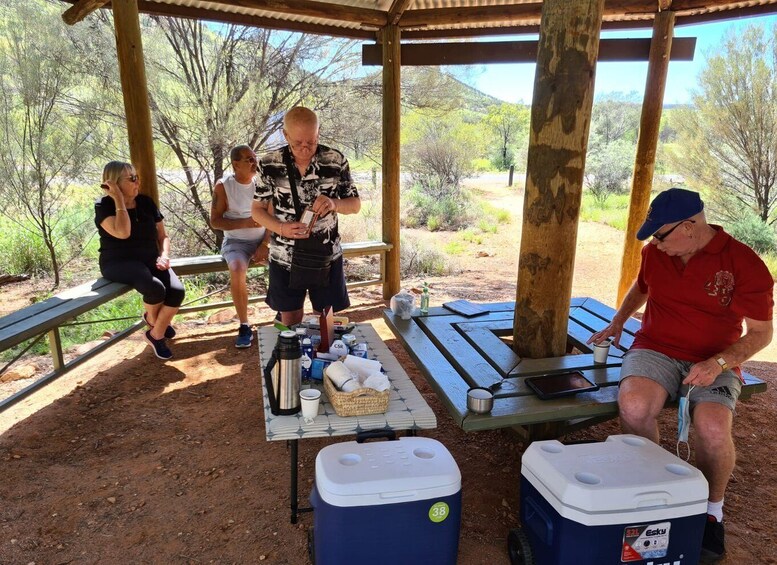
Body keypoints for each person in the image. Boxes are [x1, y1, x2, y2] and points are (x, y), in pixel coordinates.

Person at [589, 188, 773, 562]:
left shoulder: (744, 263)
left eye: (661, 234)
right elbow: (642, 287)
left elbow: (761, 333)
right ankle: (654, 491)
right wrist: (619, 320)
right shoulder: (655, 254)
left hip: (714, 358)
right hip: (654, 347)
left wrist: (719, 364)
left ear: (690, 226)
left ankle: (711, 511)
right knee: (635, 406)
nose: (654, 242)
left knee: (713, 429)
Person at [251, 106, 361, 327]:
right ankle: (290, 360)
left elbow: (355, 205)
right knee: (289, 321)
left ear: (318, 132)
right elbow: (257, 210)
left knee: (328, 321)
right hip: (284, 256)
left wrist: (334, 203)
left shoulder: (335, 160)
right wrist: (281, 228)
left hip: (326, 255)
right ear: (285, 135)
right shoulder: (269, 163)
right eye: (297, 142)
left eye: (310, 142)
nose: (304, 148)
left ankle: (327, 361)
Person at [95, 161, 186, 360]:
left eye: (137, 177)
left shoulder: (146, 202)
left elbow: (163, 236)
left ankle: (155, 332)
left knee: (177, 291)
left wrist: (164, 255)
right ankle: (157, 325)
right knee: (154, 288)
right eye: (132, 178)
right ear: (115, 184)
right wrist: (119, 199)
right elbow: (123, 232)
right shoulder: (104, 207)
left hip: (149, 258)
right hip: (118, 262)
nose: (138, 182)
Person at [210, 145, 268, 348]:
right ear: (236, 164)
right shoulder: (223, 186)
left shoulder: (262, 183)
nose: (254, 163)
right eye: (249, 160)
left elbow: (273, 216)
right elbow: (215, 221)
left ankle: (283, 315)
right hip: (236, 242)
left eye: (255, 158)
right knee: (237, 268)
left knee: (284, 261)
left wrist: (266, 244)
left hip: (263, 240)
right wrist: (244, 223)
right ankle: (244, 325)